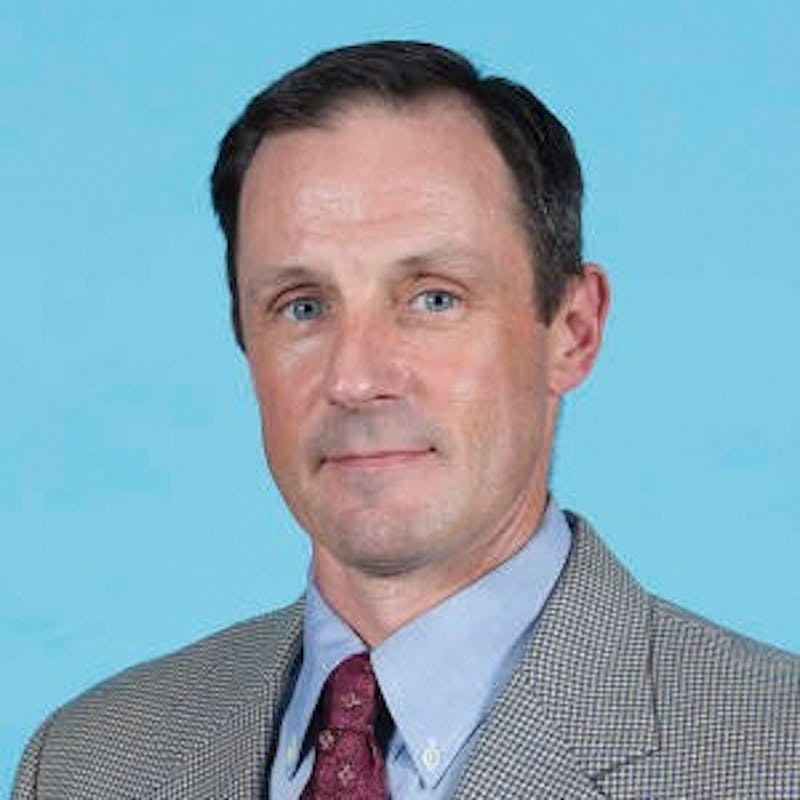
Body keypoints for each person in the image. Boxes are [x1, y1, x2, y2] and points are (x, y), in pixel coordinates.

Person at [13, 41, 799, 800]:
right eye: (303, 307)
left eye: (434, 298)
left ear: (572, 331)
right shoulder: (85, 764)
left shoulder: (776, 754)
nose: (355, 378)